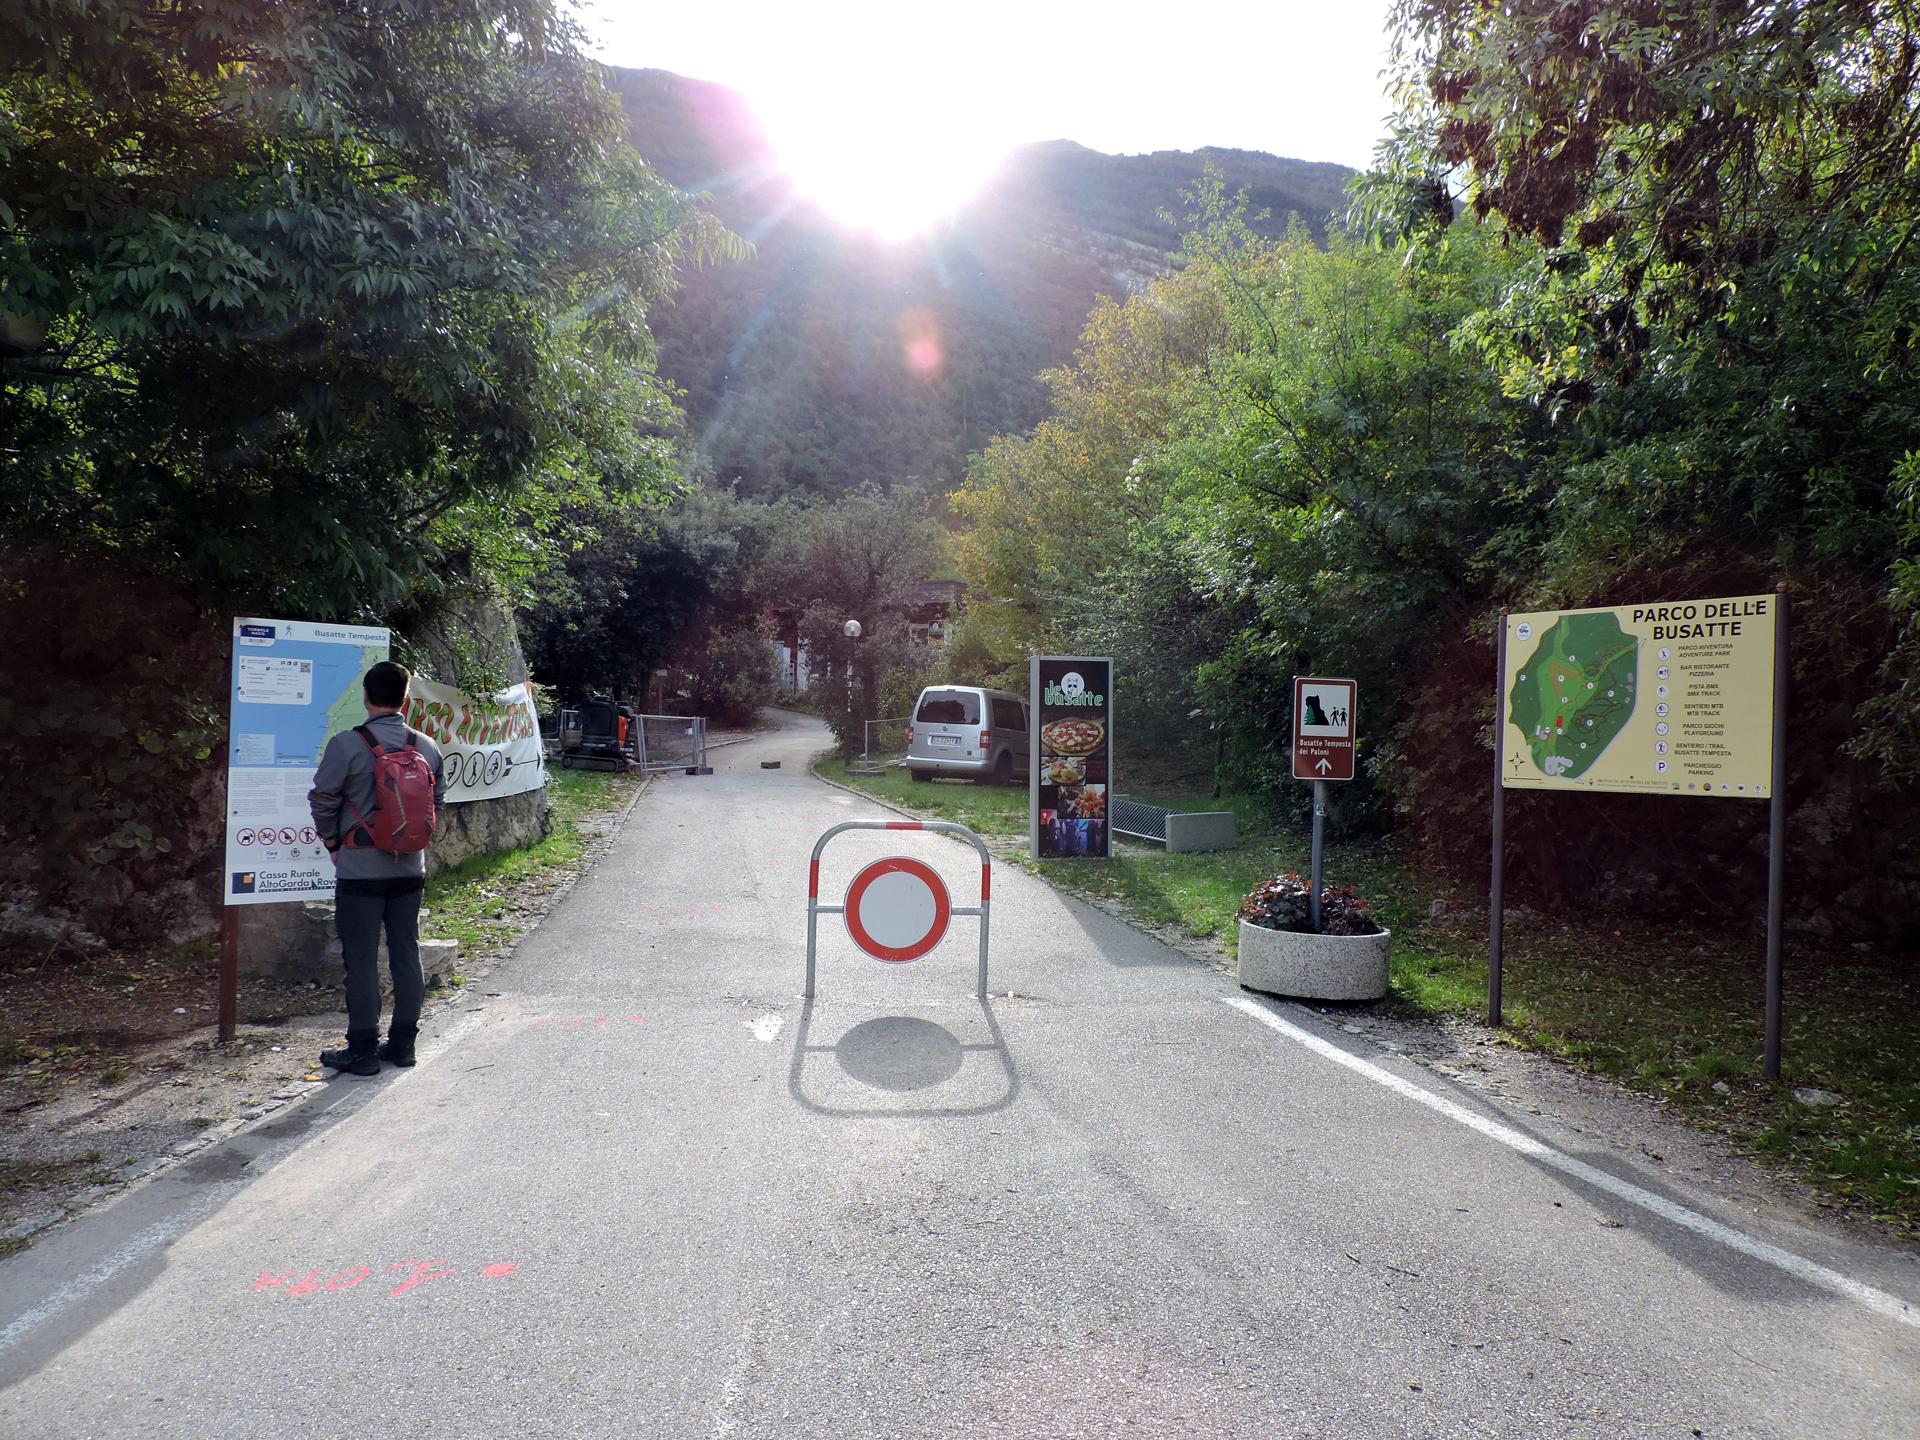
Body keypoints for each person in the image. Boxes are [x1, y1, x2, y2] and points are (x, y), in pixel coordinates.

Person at [308, 660, 446, 1076]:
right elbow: (437, 803)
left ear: (366, 697)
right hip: (410, 869)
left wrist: (333, 844)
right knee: (406, 952)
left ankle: (363, 1051)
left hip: (360, 869)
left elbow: (322, 799)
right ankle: (403, 1045)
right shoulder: (427, 746)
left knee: (362, 959)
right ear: (406, 699)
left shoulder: (346, 745)